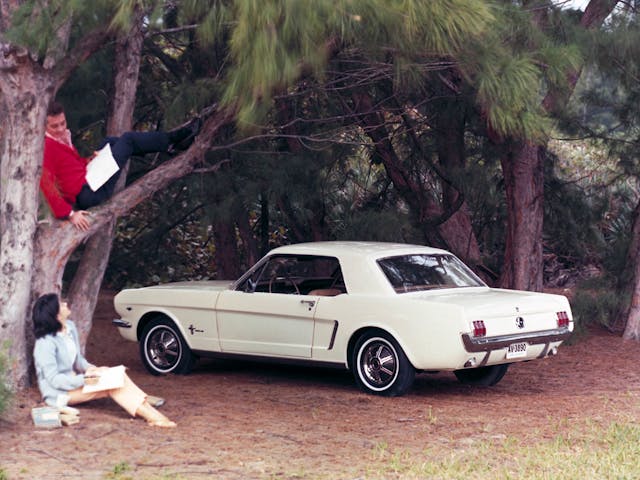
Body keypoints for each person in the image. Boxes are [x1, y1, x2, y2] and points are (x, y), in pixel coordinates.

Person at [40, 102, 201, 231]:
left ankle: (169, 146)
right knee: (128, 139)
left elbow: (69, 168)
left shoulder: (59, 139)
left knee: (110, 142)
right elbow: (46, 185)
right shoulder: (44, 147)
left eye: (63, 123)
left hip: (89, 178)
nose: (61, 129)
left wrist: (89, 160)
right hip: (89, 194)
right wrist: (70, 214)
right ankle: (174, 140)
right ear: (43, 126)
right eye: (54, 126)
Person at [32, 293, 176, 428]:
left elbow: (78, 360)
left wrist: (93, 369)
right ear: (56, 315)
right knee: (113, 384)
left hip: (77, 380)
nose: (65, 303)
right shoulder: (45, 343)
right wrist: (85, 379)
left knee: (115, 374)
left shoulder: (69, 327)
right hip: (59, 393)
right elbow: (54, 380)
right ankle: (152, 415)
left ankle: (146, 406)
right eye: (61, 305)